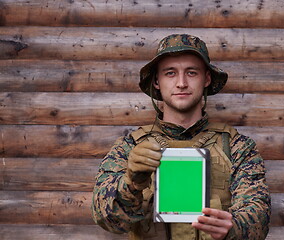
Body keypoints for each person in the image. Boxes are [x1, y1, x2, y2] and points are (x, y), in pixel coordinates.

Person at [92, 34, 271, 240]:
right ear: (157, 81)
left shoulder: (236, 146)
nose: (181, 83)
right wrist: (131, 183)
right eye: (170, 73)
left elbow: (259, 216)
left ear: (207, 78)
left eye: (191, 73)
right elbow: (106, 218)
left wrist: (233, 228)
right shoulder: (129, 147)